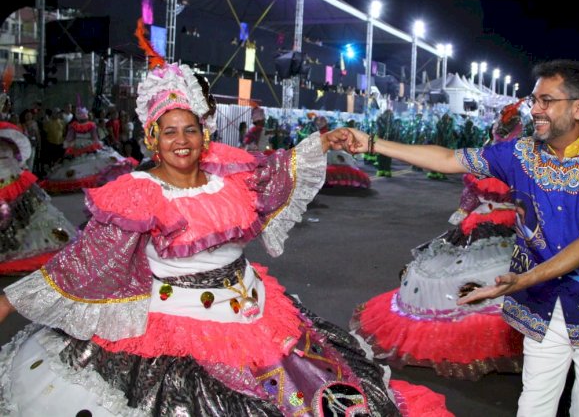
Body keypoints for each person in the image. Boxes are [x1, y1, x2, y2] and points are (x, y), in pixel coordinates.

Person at [0, 52, 451, 415]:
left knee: (320, 397)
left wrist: (320, 144)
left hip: (256, 309)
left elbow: (277, 173)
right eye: (169, 131)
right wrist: (9, 300)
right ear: (152, 138)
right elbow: (87, 261)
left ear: (204, 132)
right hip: (181, 326)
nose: (182, 141)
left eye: (190, 129)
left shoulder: (228, 176)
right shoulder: (136, 193)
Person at [342, 59, 579, 417]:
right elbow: (450, 158)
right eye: (534, 100)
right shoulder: (520, 154)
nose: (535, 110)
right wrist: (372, 142)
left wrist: (522, 280)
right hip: (542, 305)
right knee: (533, 406)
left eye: (547, 101)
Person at [351, 103, 526, 381]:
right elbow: (449, 162)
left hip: (509, 225)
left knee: (495, 276)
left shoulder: (526, 154)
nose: (502, 131)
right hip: (482, 222)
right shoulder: (493, 153)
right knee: (454, 273)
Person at [0, 121, 77, 275]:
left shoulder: (9, 137)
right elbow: (20, 157)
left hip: (12, 178)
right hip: (10, 178)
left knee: (27, 215)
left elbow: (19, 156)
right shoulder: (9, 138)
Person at [39, 104, 135, 194]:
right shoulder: (86, 125)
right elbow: (93, 138)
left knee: (85, 162)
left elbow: (70, 138)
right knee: (87, 162)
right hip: (85, 145)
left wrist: (69, 145)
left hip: (80, 145)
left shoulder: (79, 125)